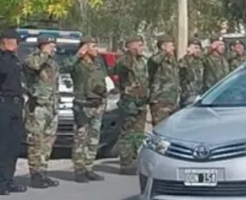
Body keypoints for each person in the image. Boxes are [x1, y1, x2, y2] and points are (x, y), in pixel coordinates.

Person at [63, 37, 107, 183]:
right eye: (93, 46)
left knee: (94, 139)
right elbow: (65, 66)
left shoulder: (99, 62)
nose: (97, 49)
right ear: (85, 48)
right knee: (80, 139)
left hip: (98, 104)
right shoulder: (77, 64)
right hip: (83, 105)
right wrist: (78, 54)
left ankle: (89, 168)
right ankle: (79, 170)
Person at [0, 28, 27, 195]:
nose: (16, 46)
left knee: (14, 145)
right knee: (3, 145)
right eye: (14, 42)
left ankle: (10, 179)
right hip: (3, 105)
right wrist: (5, 52)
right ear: (4, 42)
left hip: (17, 104)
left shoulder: (14, 59)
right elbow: (1, 73)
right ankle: (1, 181)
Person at [23, 34, 60, 189]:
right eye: (52, 46)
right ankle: (35, 173)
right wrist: (44, 53)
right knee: (36, 141)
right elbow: (34, 66)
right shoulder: (32, 59)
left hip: (51, 106)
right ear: (44, 45)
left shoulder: (52, 63)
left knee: (48, 141)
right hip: (37, 107)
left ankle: (43, 171)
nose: (55, 49)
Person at [114, 35, 149, 175]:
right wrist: (131, 53)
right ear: (132, 46)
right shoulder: (124, 59)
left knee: (138, 134)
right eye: (139, 45)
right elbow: (121, 68)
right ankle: (126, 162)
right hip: (129, 102)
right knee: (128, 133)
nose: (142, 48)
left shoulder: (143, 61)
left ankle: (135, 159)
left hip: (141, 102)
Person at [148, 35, 180, 126]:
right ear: (163, 46)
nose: (173, 48)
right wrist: (164, 52)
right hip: (160, 101)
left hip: (172, 101)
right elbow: (154, 62)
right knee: (160, 127)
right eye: (171, 45)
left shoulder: (172, 61)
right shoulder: (155, 59)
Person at [178, 38, 203, 107]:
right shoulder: (184, 61)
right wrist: (188, 55)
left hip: (199, 93)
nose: (197, 50)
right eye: (195, 48)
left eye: (199, 48)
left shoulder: (200, 61)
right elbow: (182, 70)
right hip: (188, 95)